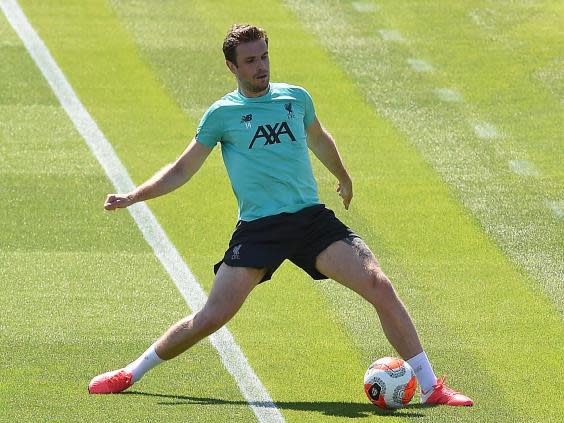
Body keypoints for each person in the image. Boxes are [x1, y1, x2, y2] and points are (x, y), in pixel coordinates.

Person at [88, 24, 473, 407]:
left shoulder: (296, 98)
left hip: (311, 222)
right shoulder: (222, 115)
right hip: (259, 231)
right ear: (232, 66)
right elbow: (181, 169)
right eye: (251, 60)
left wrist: (342, 176)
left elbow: (319, 138)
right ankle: (131, 372)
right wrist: (134, 196)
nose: (261, 66)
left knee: (379, 286)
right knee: (211, 316)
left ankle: (430, 387)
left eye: (264, 57)